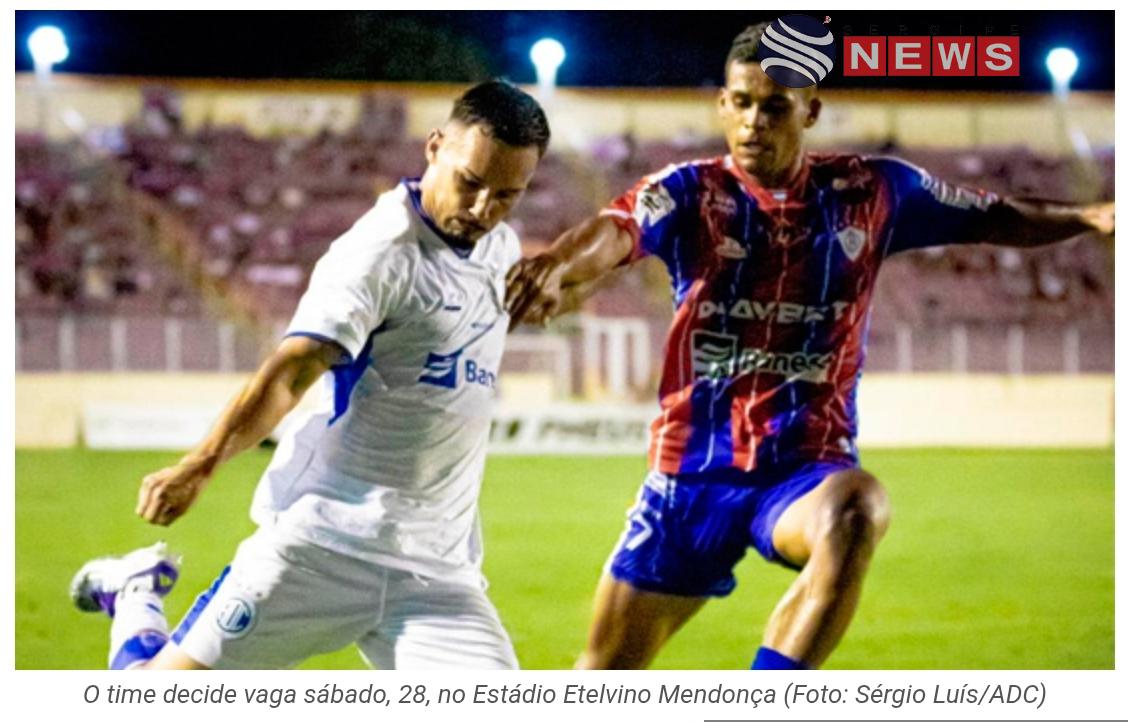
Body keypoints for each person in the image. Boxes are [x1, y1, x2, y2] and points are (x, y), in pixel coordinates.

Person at [505, 24, 1114, 670]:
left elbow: (993, 214)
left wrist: (1090, 216)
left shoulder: (873, 191)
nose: (753, 122)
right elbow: (615, 230)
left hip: (803, 471)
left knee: (857, 508)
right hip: (692, 476)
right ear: (722, 106)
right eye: (740, 103)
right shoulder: (690, 191)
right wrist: (557, 267)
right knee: (601, 676)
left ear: (810, 109)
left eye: (774, 106)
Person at [70, 80, 551, 670]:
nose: (483, 209)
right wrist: (200, 465)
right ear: (433, 148)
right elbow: (291, 371)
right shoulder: (378, 254)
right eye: (470, 184)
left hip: (438, 572)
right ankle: (135, 594)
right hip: (323, 546)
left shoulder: (499, 246)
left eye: (507, 194)